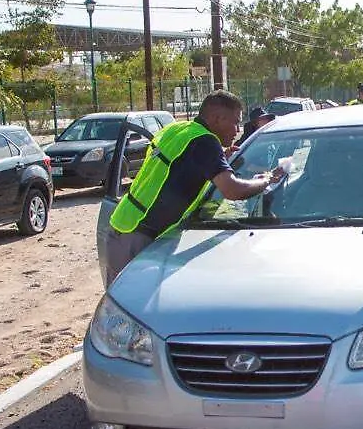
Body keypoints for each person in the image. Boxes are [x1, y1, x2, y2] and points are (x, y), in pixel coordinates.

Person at [104, 91, 285, 285]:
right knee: (136, 303)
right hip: (141, 239)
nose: (237, 130)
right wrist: (266, 180)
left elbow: (173, 163)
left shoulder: (178, 130)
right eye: (235, 122)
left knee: (121, 297)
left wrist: (216, 158)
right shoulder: (205, 142)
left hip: (121, 226)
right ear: (217, 119)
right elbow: (232, 190)